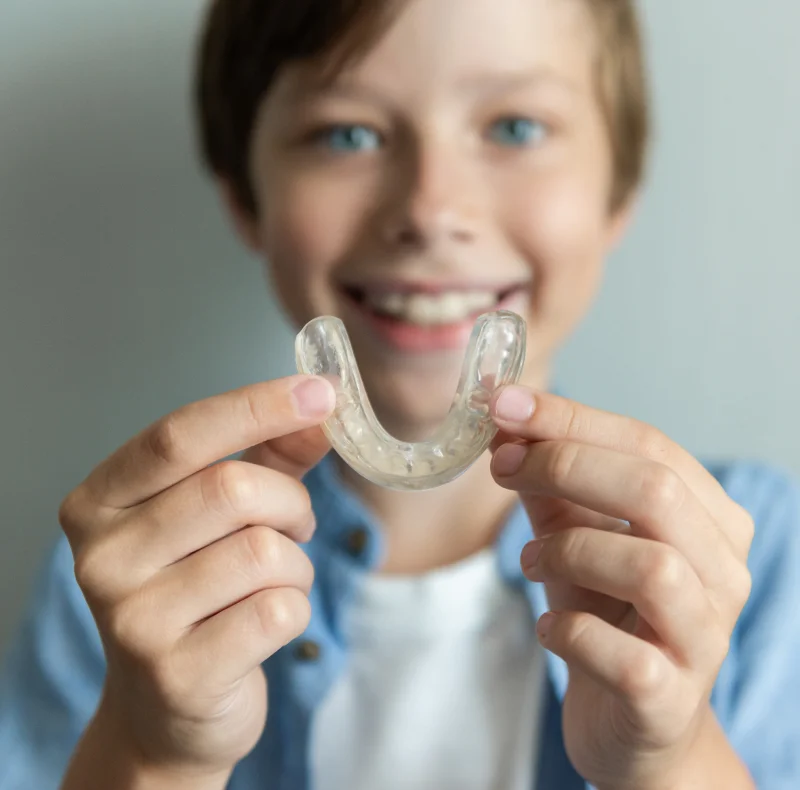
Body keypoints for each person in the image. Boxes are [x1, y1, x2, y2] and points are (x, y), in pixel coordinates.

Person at [1, 0, 799, 788]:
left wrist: (674, 758)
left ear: (617, 192)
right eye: (348, 133)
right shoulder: (132, 585)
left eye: (515, 127)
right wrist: (151, 755)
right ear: (246, 199)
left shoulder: (757, 563)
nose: (429, 210)